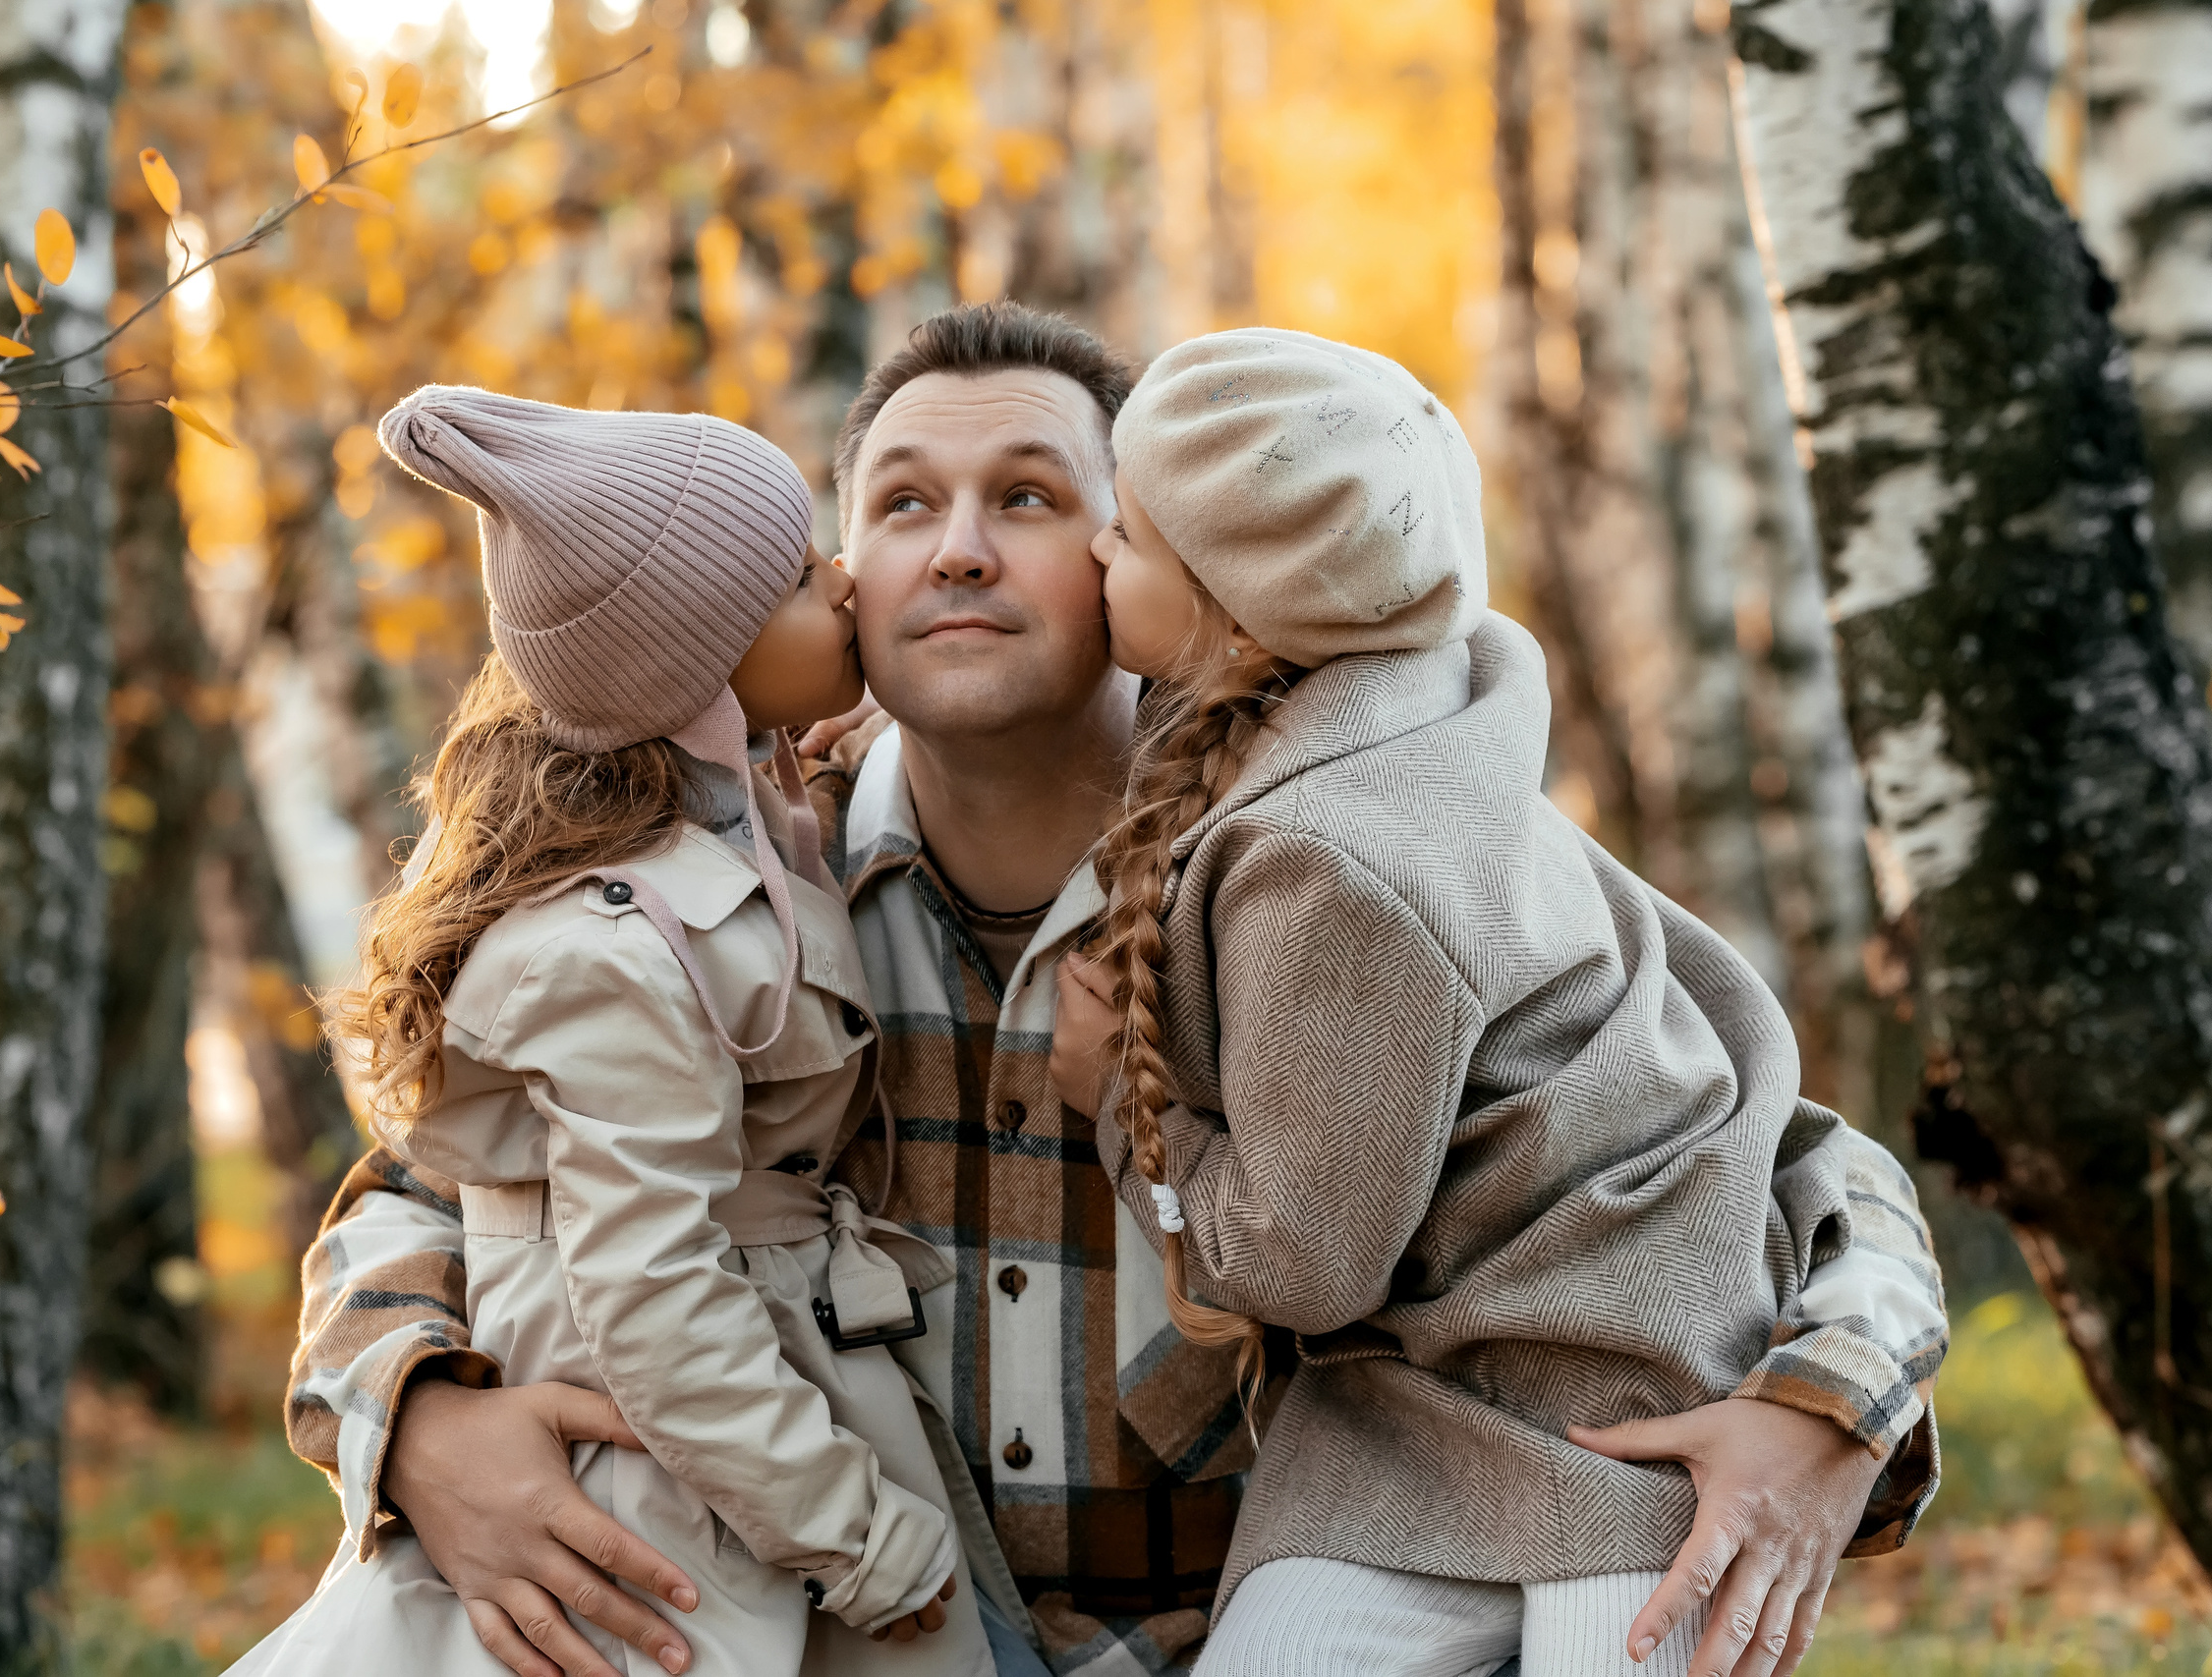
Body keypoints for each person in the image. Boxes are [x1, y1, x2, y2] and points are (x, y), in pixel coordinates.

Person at [280, 306, 1947, 1677]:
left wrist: (1831, 1415)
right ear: (839, 580)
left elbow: (1762, 1136)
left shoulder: (1352, 839)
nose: (959, 552)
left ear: (1157, 561)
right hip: (885, 1636)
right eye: (905, 505)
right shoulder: (745, 908)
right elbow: (428, 1186)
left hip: (1263, 1620)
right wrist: (416, 1417)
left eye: (1030, 496)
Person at [1048, 327, 1951, 1675]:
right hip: (1478, 1406)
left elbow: (1302, 1258)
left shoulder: (1328, 861)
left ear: (1235, 606)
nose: (1091, 557)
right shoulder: (1432, 724)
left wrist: (1123, 1115)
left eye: (1123, 534)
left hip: (1621, 1426)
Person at [233, 388, 992, 1676]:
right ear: (702, 664)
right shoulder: (615, 948)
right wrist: (858, 1536)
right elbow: (651, 1297)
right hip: (662, 1503)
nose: (851, 584)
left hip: (752, 1435)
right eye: (806, 577)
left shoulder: (740, 824)